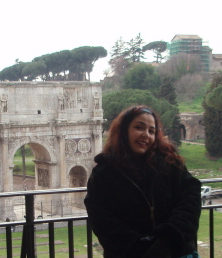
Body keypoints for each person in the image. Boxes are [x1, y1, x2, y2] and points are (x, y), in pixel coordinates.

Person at [84, 105, 202, 258]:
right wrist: (141, 248)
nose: (146, 135)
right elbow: (103, 221)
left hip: (174, 250)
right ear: (123, 130)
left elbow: (190, 200)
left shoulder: (170, 162)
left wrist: (168, 239)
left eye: (152, 131)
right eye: (139, 127)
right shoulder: (104, 173)